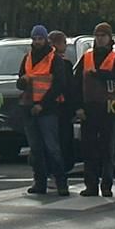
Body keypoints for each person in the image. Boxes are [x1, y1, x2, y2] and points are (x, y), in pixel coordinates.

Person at [75, 23, 115, 197]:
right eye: (97, 35)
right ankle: (91, 185)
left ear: (109, 38)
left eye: (103, 36)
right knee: (89, 148)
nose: (100, 39)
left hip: (109, 109)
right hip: (89, 109)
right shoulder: (86, 57)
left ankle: (106, 185)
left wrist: (100, 75)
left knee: (107, 149)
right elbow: (76, 84)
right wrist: (78, 107)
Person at [17, 24, 68, 196]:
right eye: (34, 39)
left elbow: (59, 85)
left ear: (46, 39)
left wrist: (43, 105)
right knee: (36, 148)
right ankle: (40, 182)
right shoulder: (27, 58)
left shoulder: (54, 59)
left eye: (40, 38)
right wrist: (23, 81)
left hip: (47, 110)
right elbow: (20, 83)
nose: (37, 42)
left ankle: (61, 182)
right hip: (29, 108)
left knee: (52, 147)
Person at [48, 30, 77, 177]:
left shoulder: (42, 62)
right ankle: (58, 172)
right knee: (61, 142)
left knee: (53, 142)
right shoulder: (64, 64)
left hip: (49, 108)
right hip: (59, 108)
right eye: (63, 42)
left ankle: (53, 172)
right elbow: (69, 88)